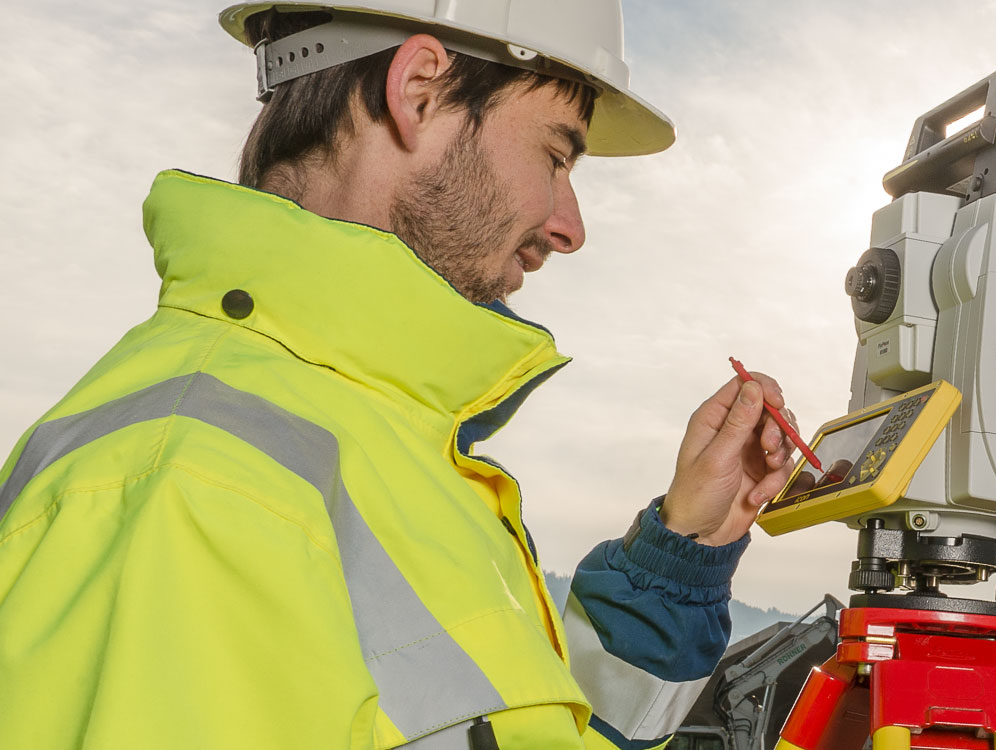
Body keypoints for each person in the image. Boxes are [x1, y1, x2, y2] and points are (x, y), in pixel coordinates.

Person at [0, 3, 794, 747]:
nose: (569, 226)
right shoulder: (198, 486)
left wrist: (685, 546)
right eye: (555, 156)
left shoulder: (363, 446)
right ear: (418, 90)